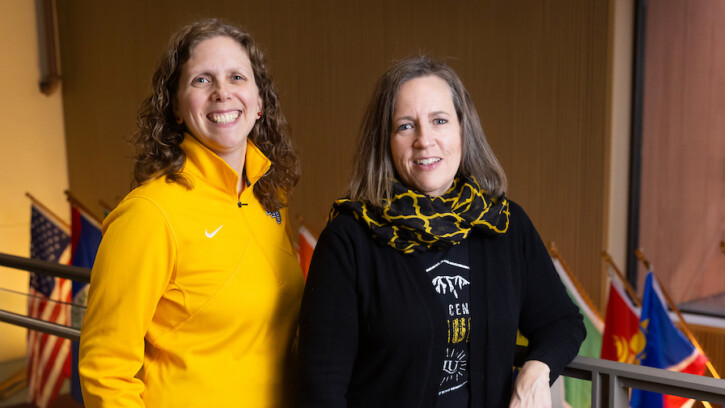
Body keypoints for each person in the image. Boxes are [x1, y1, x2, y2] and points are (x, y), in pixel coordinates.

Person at [298, 55, 585, 407]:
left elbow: (563, 321)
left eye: (439, 121)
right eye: (406, 126)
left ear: (463, 130)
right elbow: (322, 387)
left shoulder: (503, 224)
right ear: (385, 141)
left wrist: (536, 370)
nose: (424, 140)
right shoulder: (349, 239)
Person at [79, 19, 303, 407]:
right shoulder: (148, 213)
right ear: (177, 107)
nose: (222, 92)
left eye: (236, 77)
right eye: (202, 80)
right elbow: (104, 370)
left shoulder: (269, 196)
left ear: (260, 102)